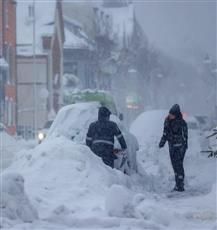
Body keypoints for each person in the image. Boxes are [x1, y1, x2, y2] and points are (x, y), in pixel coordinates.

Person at [159, 104, 188, 192]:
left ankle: (180, 185)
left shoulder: (182, 123)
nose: (170, 115)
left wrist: (185, 145)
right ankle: (178, 183)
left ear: (176, 114)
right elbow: (165, 133)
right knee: (175, 165)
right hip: (172, 146)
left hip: (180, 147)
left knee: (179, 165)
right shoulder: (167, 121)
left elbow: (185, 136)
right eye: (170, 114)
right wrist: (162, 143)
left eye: (172, 114)